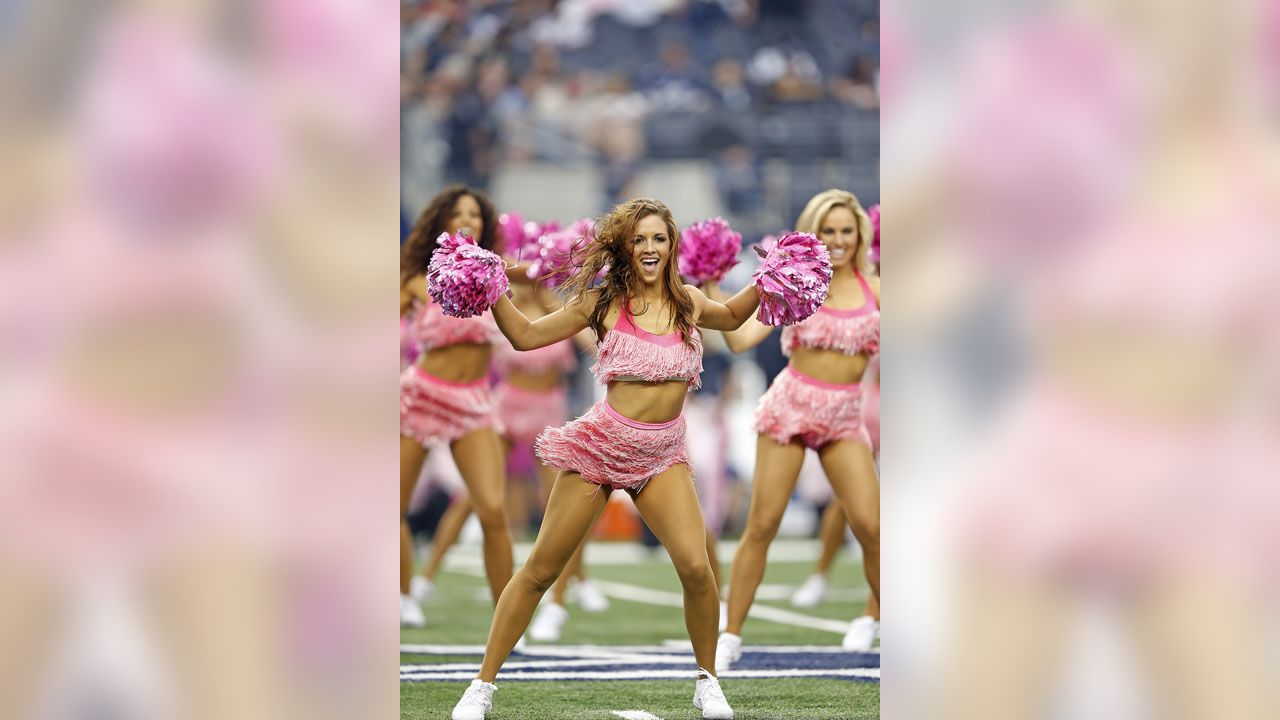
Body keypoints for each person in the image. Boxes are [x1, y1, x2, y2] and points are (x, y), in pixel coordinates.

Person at [450, 198, 762, 720]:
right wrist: (490, 286)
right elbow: (526, 337)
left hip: (663, 453)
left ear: (671, 246)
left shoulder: (686, 300)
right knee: (539, 571)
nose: (649, 248)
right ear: (624, 245)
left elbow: (731, 316)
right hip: (601, 446)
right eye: (639, 239)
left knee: (696, 567)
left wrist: (773, 279)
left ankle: (708, 681)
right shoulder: (602, 302)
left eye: (658, 239)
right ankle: (480, 686)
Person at [705, 189, 880, 668]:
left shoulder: (877, 288)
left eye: (847, 231)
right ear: (813, 233)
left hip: (845, 416)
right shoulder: (796, 282)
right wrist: (714, 287)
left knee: (872, 527)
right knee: (763, 525)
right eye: (829, 231)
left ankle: (874, 614)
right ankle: (730, 634)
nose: (839, 240)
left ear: (860, 235)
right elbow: (739, 340)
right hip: (791, 408)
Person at [399, 185, 513, 628]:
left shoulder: (494, 274)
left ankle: (507, 617)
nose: (469, 219)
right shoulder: (415, 278)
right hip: (421, 396)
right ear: (441, 221)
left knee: (493, 511)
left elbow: (534, 283)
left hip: (473, 405)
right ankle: (404, 595)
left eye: (476, 213)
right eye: (459, 212)